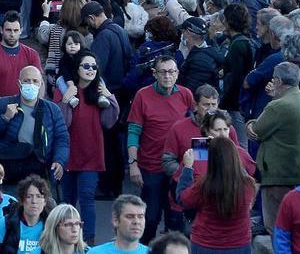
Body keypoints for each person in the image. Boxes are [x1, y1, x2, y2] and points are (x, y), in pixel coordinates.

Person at [126, 54, 194, 241]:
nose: (167, 76)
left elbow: (197, 127)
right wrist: (133, 164)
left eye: (171, 71)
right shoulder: (143, 95)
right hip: (151, 167)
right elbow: (133, 131)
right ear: (154, 74)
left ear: (178, 74)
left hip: (178, 168)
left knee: (176, 220)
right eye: (163, 72)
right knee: (150, 218)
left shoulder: (186, 95)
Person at [54, 50, 119, 240]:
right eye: (86, 66)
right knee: (68, 201)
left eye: (94, 67)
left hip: (92, 154)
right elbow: (61, 122)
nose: (91, 70)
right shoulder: (66, 91)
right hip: (68, 154)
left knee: (87, 197)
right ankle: (66, 239)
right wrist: (66, 100)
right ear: (77, 69)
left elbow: (109, 122)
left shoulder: (99, 94)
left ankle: (88, 240)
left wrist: (110, 97)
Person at [248, 61, 300, 234]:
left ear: (278, 80)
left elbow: (257, 131)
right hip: (294, 172)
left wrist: (250, 124)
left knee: (275, 226)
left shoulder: (278, 106)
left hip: (276, 175)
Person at [0, 66, 70, 188]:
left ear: (40, 84)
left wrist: (59, 160)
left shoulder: (52, 110)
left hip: (39, 169)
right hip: (10, 167)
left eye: (35, 81)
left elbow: (62, 138)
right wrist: (5, 118)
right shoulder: (4, 104)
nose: (31, 84)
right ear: (19, 83)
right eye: (26, 81)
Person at [176, 135, 257, 254]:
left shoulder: (205, 186)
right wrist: (224, 146)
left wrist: (188, 168)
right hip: (239, 245)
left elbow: (183, 199)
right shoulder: (248, 185)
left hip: (206, 245)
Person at [0, 175, 54, 254]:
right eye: (29, 196)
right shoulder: (5, 224)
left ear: (45, 201)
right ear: (21, 200)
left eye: (39, 196)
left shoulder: (51, 226)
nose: (34, 201)